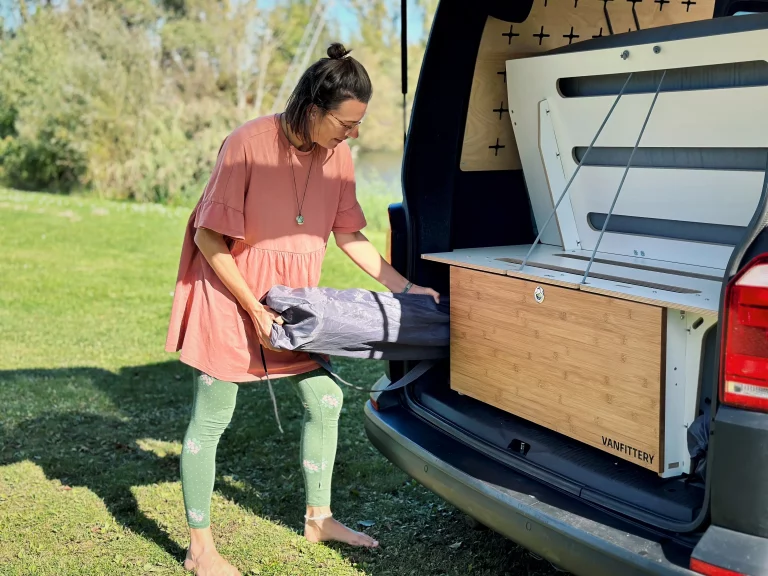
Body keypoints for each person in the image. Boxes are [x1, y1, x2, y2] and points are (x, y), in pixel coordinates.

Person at [165, 42, 440, 576]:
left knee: (326, 400)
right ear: (314, 108)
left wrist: (405, 288)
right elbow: (208, 237)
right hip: (230, 297)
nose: (353, 133)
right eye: (346, 122)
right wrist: (254, 311)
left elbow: (348, 234)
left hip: (293, 307)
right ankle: (200, 550)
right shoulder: (246, 143)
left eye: (358, 124)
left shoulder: (336, 155)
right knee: (212, 418)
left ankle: (319, 519)